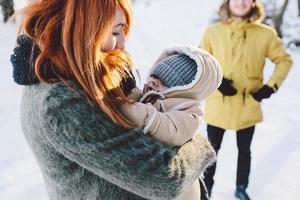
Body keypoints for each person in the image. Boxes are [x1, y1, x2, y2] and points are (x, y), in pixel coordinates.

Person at [10, 0, 216, 200]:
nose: (123, 43)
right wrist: (199, 145)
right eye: (115, 32)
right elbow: (167, 178)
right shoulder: (62, 103)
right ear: (83, 30)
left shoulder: (81, 73)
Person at [200, 0, 293, 199]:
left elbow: (284, 60)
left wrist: (270, 86)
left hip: (248, 104)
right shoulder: (213, 32)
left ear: (253, 3)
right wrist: (217, 82)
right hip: (219, 105)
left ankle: (241, 188)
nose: (241, 3)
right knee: (211, 152)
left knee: (245, 151)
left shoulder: (265, 34)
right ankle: (206, 191)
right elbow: (201, 62)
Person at [120, 46, 223, 200]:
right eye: (155, 75)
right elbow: (135, 99)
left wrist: (127, 107)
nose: (154, 82)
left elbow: (167, 129)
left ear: (186, 89)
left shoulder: (189, 112)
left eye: (166, 81)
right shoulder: (147, 96)